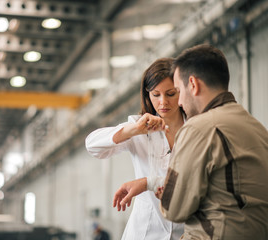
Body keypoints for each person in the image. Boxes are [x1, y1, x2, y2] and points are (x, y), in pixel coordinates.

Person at [114, 44, 268, 240]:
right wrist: (150, 182)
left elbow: (174, 209)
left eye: (176, 91)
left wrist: (154, 186)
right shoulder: (256, 127)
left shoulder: (198, 128)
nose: (177, 102)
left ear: (193, 85)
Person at [86, 58, 185, 240]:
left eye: (171, 94)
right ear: (147, 95)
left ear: (182, 91)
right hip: (145, 232)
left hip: (185, 232)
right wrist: (134, 130)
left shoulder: (196, 129)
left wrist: (147, 182)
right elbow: (92, 145)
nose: (163, 102)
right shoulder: (138, 128)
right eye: (156, 94)